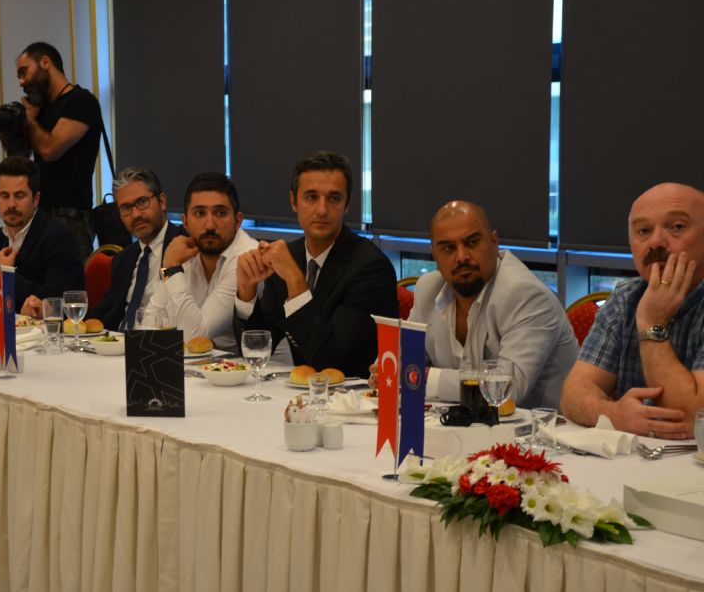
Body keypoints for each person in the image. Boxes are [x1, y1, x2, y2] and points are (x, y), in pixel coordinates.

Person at [385, 200, 577, 409]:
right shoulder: (428, 288)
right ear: (435, 255)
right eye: (448, 248)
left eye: (472, 242)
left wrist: (424, 378)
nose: (461, 257)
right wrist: (388, 366)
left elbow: (506, 390)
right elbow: (406, 356)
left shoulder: (526, 296)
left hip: (539, 427)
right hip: (464, 421)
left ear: (494, 243)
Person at [235, 151, 398, 377]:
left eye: (334, 198)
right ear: (293, 201)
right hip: (303, 391)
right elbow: (257, 349)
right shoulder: (290, 255)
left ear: (347, 203)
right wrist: (246, 291)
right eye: (311, 197)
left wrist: (295, 280)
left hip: (355, 392)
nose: (322, 210)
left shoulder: (370, 267)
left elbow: (329, 359)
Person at [561, 183, 704, 439]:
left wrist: (651, 323)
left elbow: (694, 421)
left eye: (677, 227)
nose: (656, 241)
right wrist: (613, 414)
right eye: (643, 231)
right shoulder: (626, 299)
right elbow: (573, 394)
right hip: (637, 458)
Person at [8, 41, 106, 258]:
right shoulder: (40, 111)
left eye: (24, 72)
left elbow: (50, 149)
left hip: (70, 218)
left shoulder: (81, 101)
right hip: (38, 214)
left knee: (68, 279)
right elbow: (19, 159)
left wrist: (30, 120)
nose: (21, 82)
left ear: (45, 62)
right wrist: (7, 128)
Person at [147, 172, 257, 351]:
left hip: (257, 366)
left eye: (220, 213)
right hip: (202, 364)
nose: (210, 225)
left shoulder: (247, 256)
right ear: (185, 222)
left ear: (237, 221)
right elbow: (147, 319)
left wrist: (171, 268)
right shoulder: (185, 253)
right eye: (199, 213)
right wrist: (169, 269)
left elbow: (196, 335)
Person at [0, 156, 84, 316]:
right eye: (4, 196)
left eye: (19, 196)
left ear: (36, 199)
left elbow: (57, 304)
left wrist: (7, 275)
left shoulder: (58, 237)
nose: (11, 204)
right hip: (14, 328)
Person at [87, 166, 184, 330]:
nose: (135, 215)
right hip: (120, 342)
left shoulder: (185, 245)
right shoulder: (123, 259)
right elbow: (104, 313)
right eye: (126, 208)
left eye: (142, 202)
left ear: (162, 201)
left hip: (167, 340)